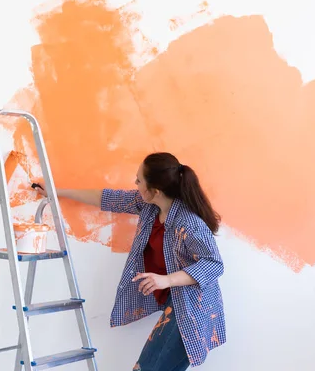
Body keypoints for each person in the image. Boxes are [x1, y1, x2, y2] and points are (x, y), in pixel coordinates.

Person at [34, 152, 226, 370]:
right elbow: (105, 198)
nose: (135, 184)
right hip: (175, 304)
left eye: (139, 180)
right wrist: (55, 191)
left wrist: (166, 280)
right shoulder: (149, 206)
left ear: (154, 191)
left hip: (192, 310)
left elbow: (214, 264)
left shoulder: (189, 224)